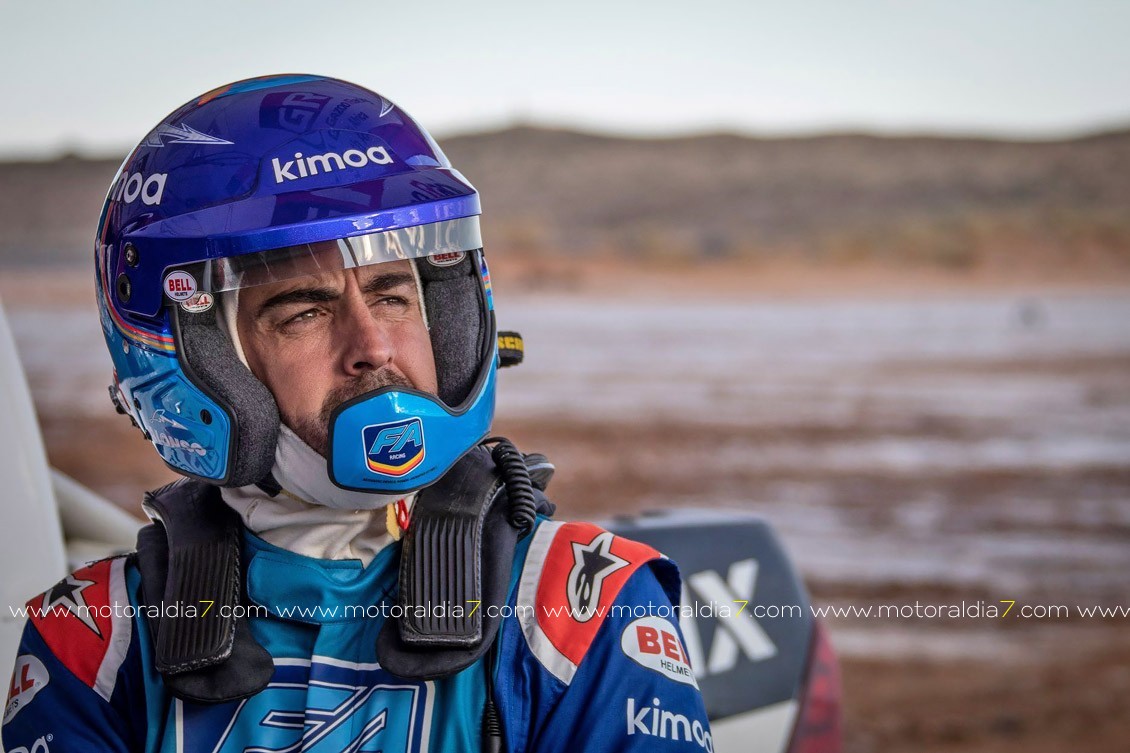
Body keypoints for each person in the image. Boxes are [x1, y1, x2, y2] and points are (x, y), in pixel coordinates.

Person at [2, 75, 713, 753]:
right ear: (200, 364)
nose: (372, 346)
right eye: (303, 310)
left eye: (393, 295)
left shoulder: (585, 607)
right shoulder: (93, 636)